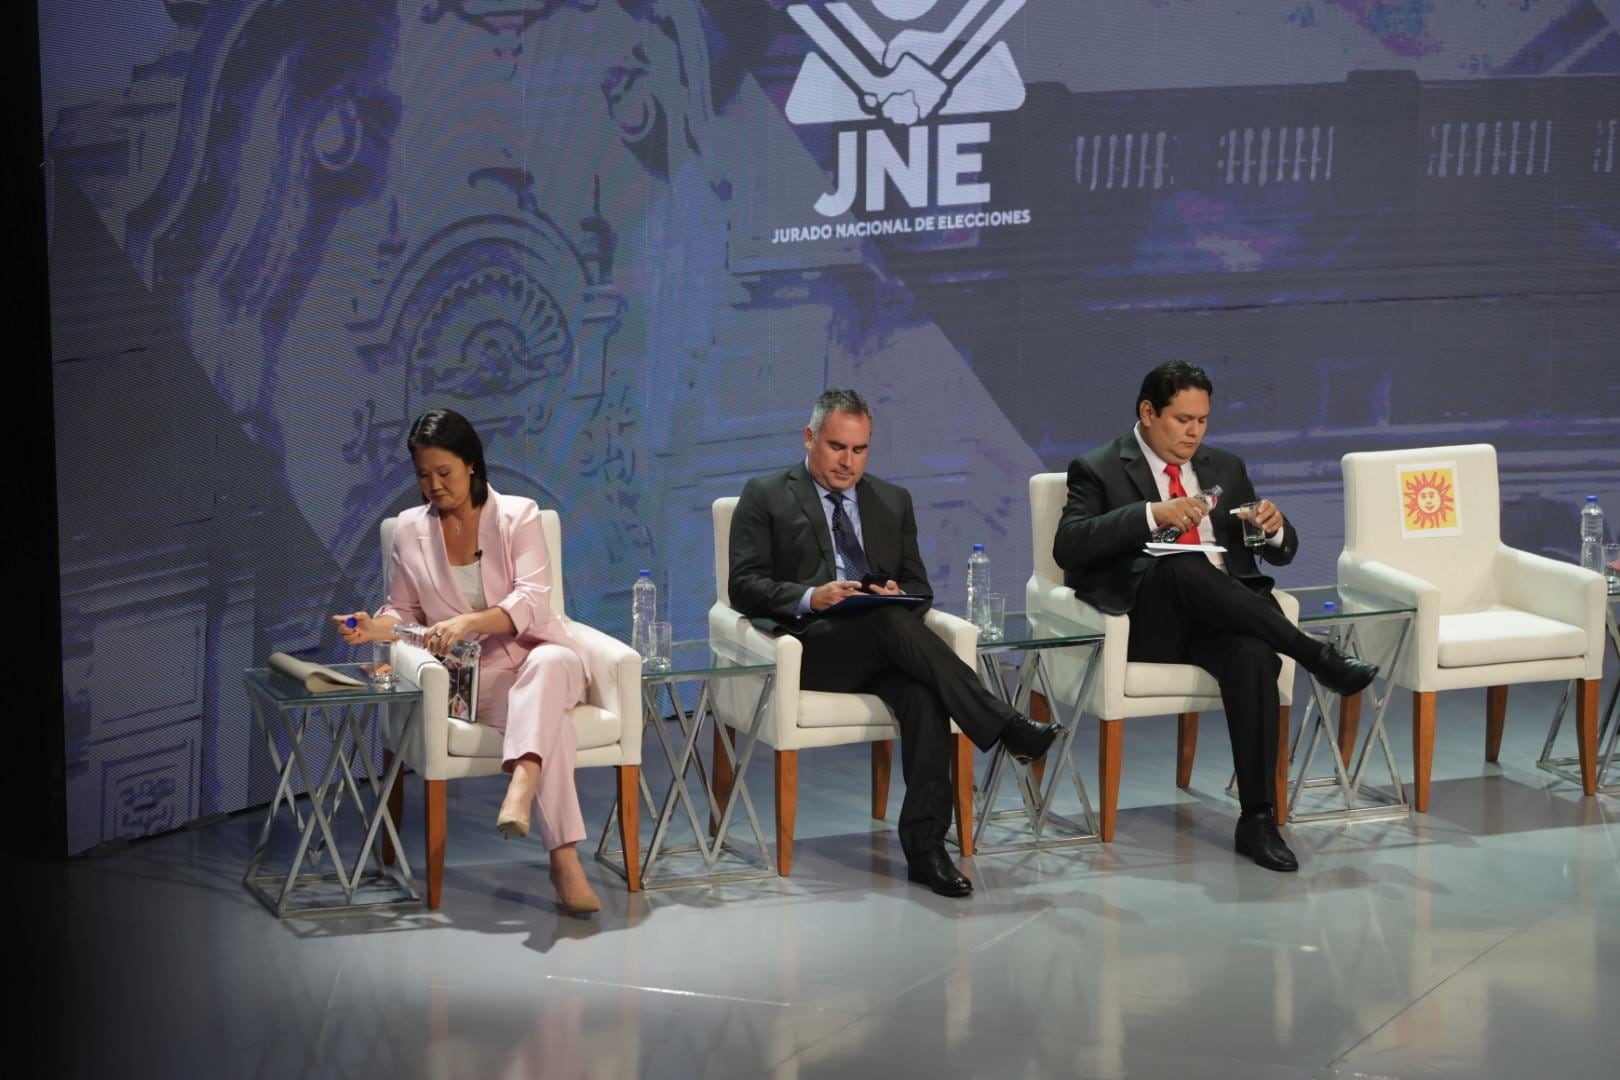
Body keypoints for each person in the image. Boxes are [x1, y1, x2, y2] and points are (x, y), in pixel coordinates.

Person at [728, 388, 1059, 897]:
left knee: (922, 693)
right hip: (812, 649)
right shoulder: (765, 495)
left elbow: (919, 587)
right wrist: (812, 596)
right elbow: (743, 585)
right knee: (887, 624)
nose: (847, 462)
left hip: (886, 645)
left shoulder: (891, 500)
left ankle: (926, 848)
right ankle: (1005, 724)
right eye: (837, 447)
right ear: (809, 437)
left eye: (859, 450)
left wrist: (895, 593)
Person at [1052, 361, 1377, 872]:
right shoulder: (1098, 467)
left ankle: (1258, 819)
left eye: (1202, 420)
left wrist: (1273, 527)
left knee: (1252, 657)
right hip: (1150, 620)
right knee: (1183, 563)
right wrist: (1152, 515)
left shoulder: (1224, 466)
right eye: (1182, 419)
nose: (1194, 431)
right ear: (1147, 412)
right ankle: (1316, 654)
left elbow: (1282, 551)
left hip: (1225, 618)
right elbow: (1068, 545)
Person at [334, 409, 600, 914]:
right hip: (477, 682)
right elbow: (404, 613)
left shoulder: (518, 515)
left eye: (444, 473)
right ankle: (562, 858)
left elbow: (533, 601)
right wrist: (374, 627)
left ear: (472, 465)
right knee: (552, 725)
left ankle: (523, 790)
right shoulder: (410, 531)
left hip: (542, 654)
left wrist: (470, 622)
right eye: (422, 475)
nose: (433, 486)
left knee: (549, 667)